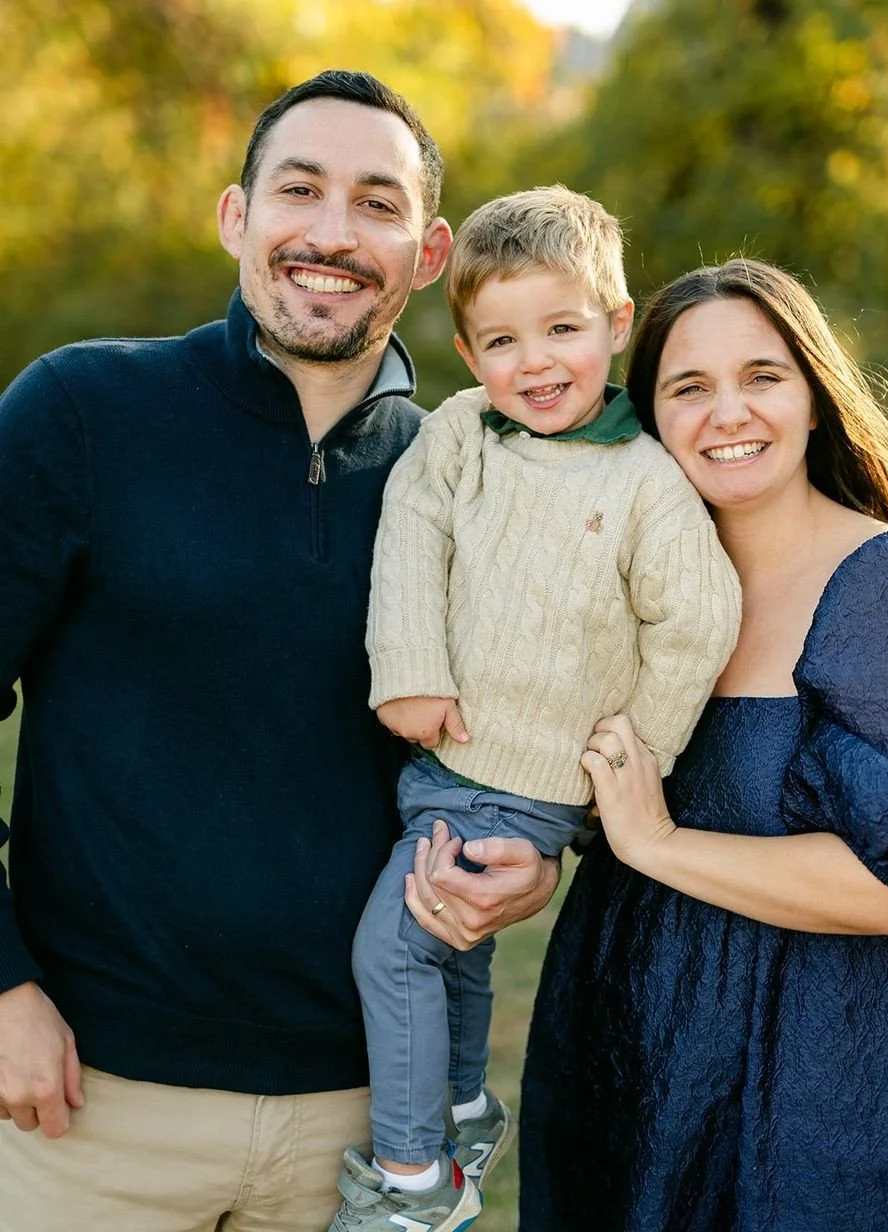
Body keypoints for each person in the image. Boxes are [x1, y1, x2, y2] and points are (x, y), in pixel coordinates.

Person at [0, 69, 557, 1232]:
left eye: (376, 202)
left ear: (429, 250)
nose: (331, 232)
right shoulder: (84, 411)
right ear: (235, 217)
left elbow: (532, 718)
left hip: (366, 1127)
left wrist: (537, 856)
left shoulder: (477, 475)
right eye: (298, 189)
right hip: (85, 1108)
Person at [519, 257, 888, 1231]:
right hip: (635, 1064)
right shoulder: (635, 593)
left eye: (761, 376)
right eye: (687, 387)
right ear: (648, 423)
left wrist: (655, 843)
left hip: (832, 1092)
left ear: (814, 399)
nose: (725, 412)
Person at [332, 186, 741, 1231]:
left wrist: (627, 760)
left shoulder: (647, 477)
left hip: (528, 782)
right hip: (445, 755)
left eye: (562, 328)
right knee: (452, 944)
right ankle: (463, 1108)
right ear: (469, 355)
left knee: (394, 947)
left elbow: (693, 620)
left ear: (614, 325)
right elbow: (411, 533)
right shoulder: (462, 433)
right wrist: (410, 667)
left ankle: (412, 1182)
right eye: (503, 340)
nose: (536, 362)